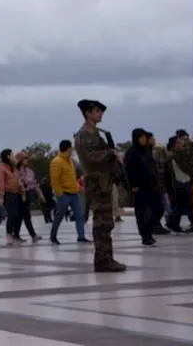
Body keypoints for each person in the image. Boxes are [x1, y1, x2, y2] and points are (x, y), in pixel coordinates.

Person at [72, 99, 126, 272]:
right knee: (102, 222)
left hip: (102, 181)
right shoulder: (86, 134)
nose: (100, 113)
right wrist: (111, 153)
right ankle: (103, 260)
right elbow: (92, 157)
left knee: (105, 222)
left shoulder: (94, 133)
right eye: (97, 110)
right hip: (97, 182)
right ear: (88, 113)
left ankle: (105, 258)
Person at [48, 140, 89, 244]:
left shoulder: (70, 160)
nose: (72, 151)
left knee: (80, 215)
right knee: (59, 215)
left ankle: (81, 236)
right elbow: (55, 180)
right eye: (71, 148)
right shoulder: (56, 161)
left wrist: (78, 187)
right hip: (64, 194)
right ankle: (53, 235)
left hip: (74, 193)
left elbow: (72, 177)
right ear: (68, 149)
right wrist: (60, 194)